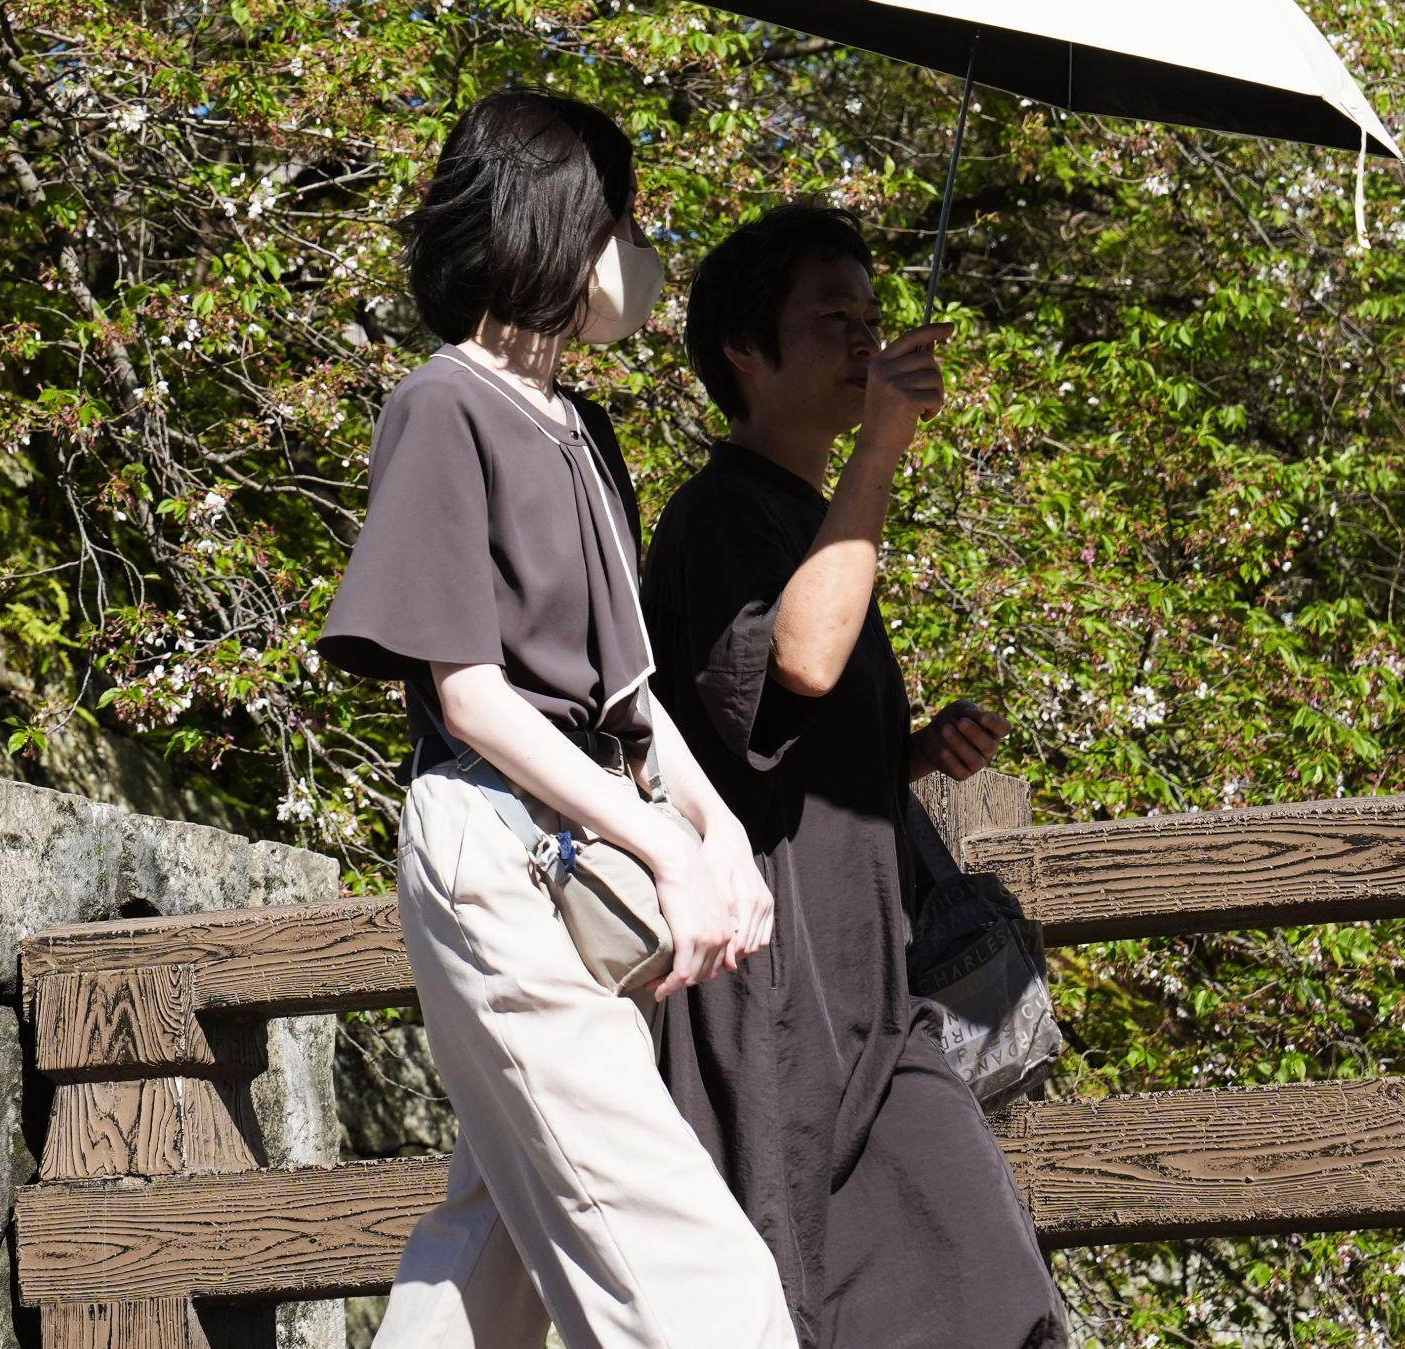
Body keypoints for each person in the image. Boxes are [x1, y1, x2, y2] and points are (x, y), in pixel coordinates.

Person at [317, 88, 801, 1349]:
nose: (641, 259)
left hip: (574, 851)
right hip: (501, 852)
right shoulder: (444, 403)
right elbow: (467, 696)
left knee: (494, 1253)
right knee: (690, 1272)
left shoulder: (580, 427)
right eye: (623, 224)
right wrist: (660, 848)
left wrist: (711, 832)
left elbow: (630, 696)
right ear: (554, 224)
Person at [642, 201, 1068, 1349]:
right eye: (830, 319)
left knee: (989, 1298)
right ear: (742, 349)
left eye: (871, 318)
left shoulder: (809, 513)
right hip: (770, 1002)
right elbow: (796, 661)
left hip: (871, 995)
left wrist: (912, 753)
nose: (866, 343)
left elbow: (792, 733)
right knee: (799, 1310)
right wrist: (880, 445)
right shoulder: (718, 515)